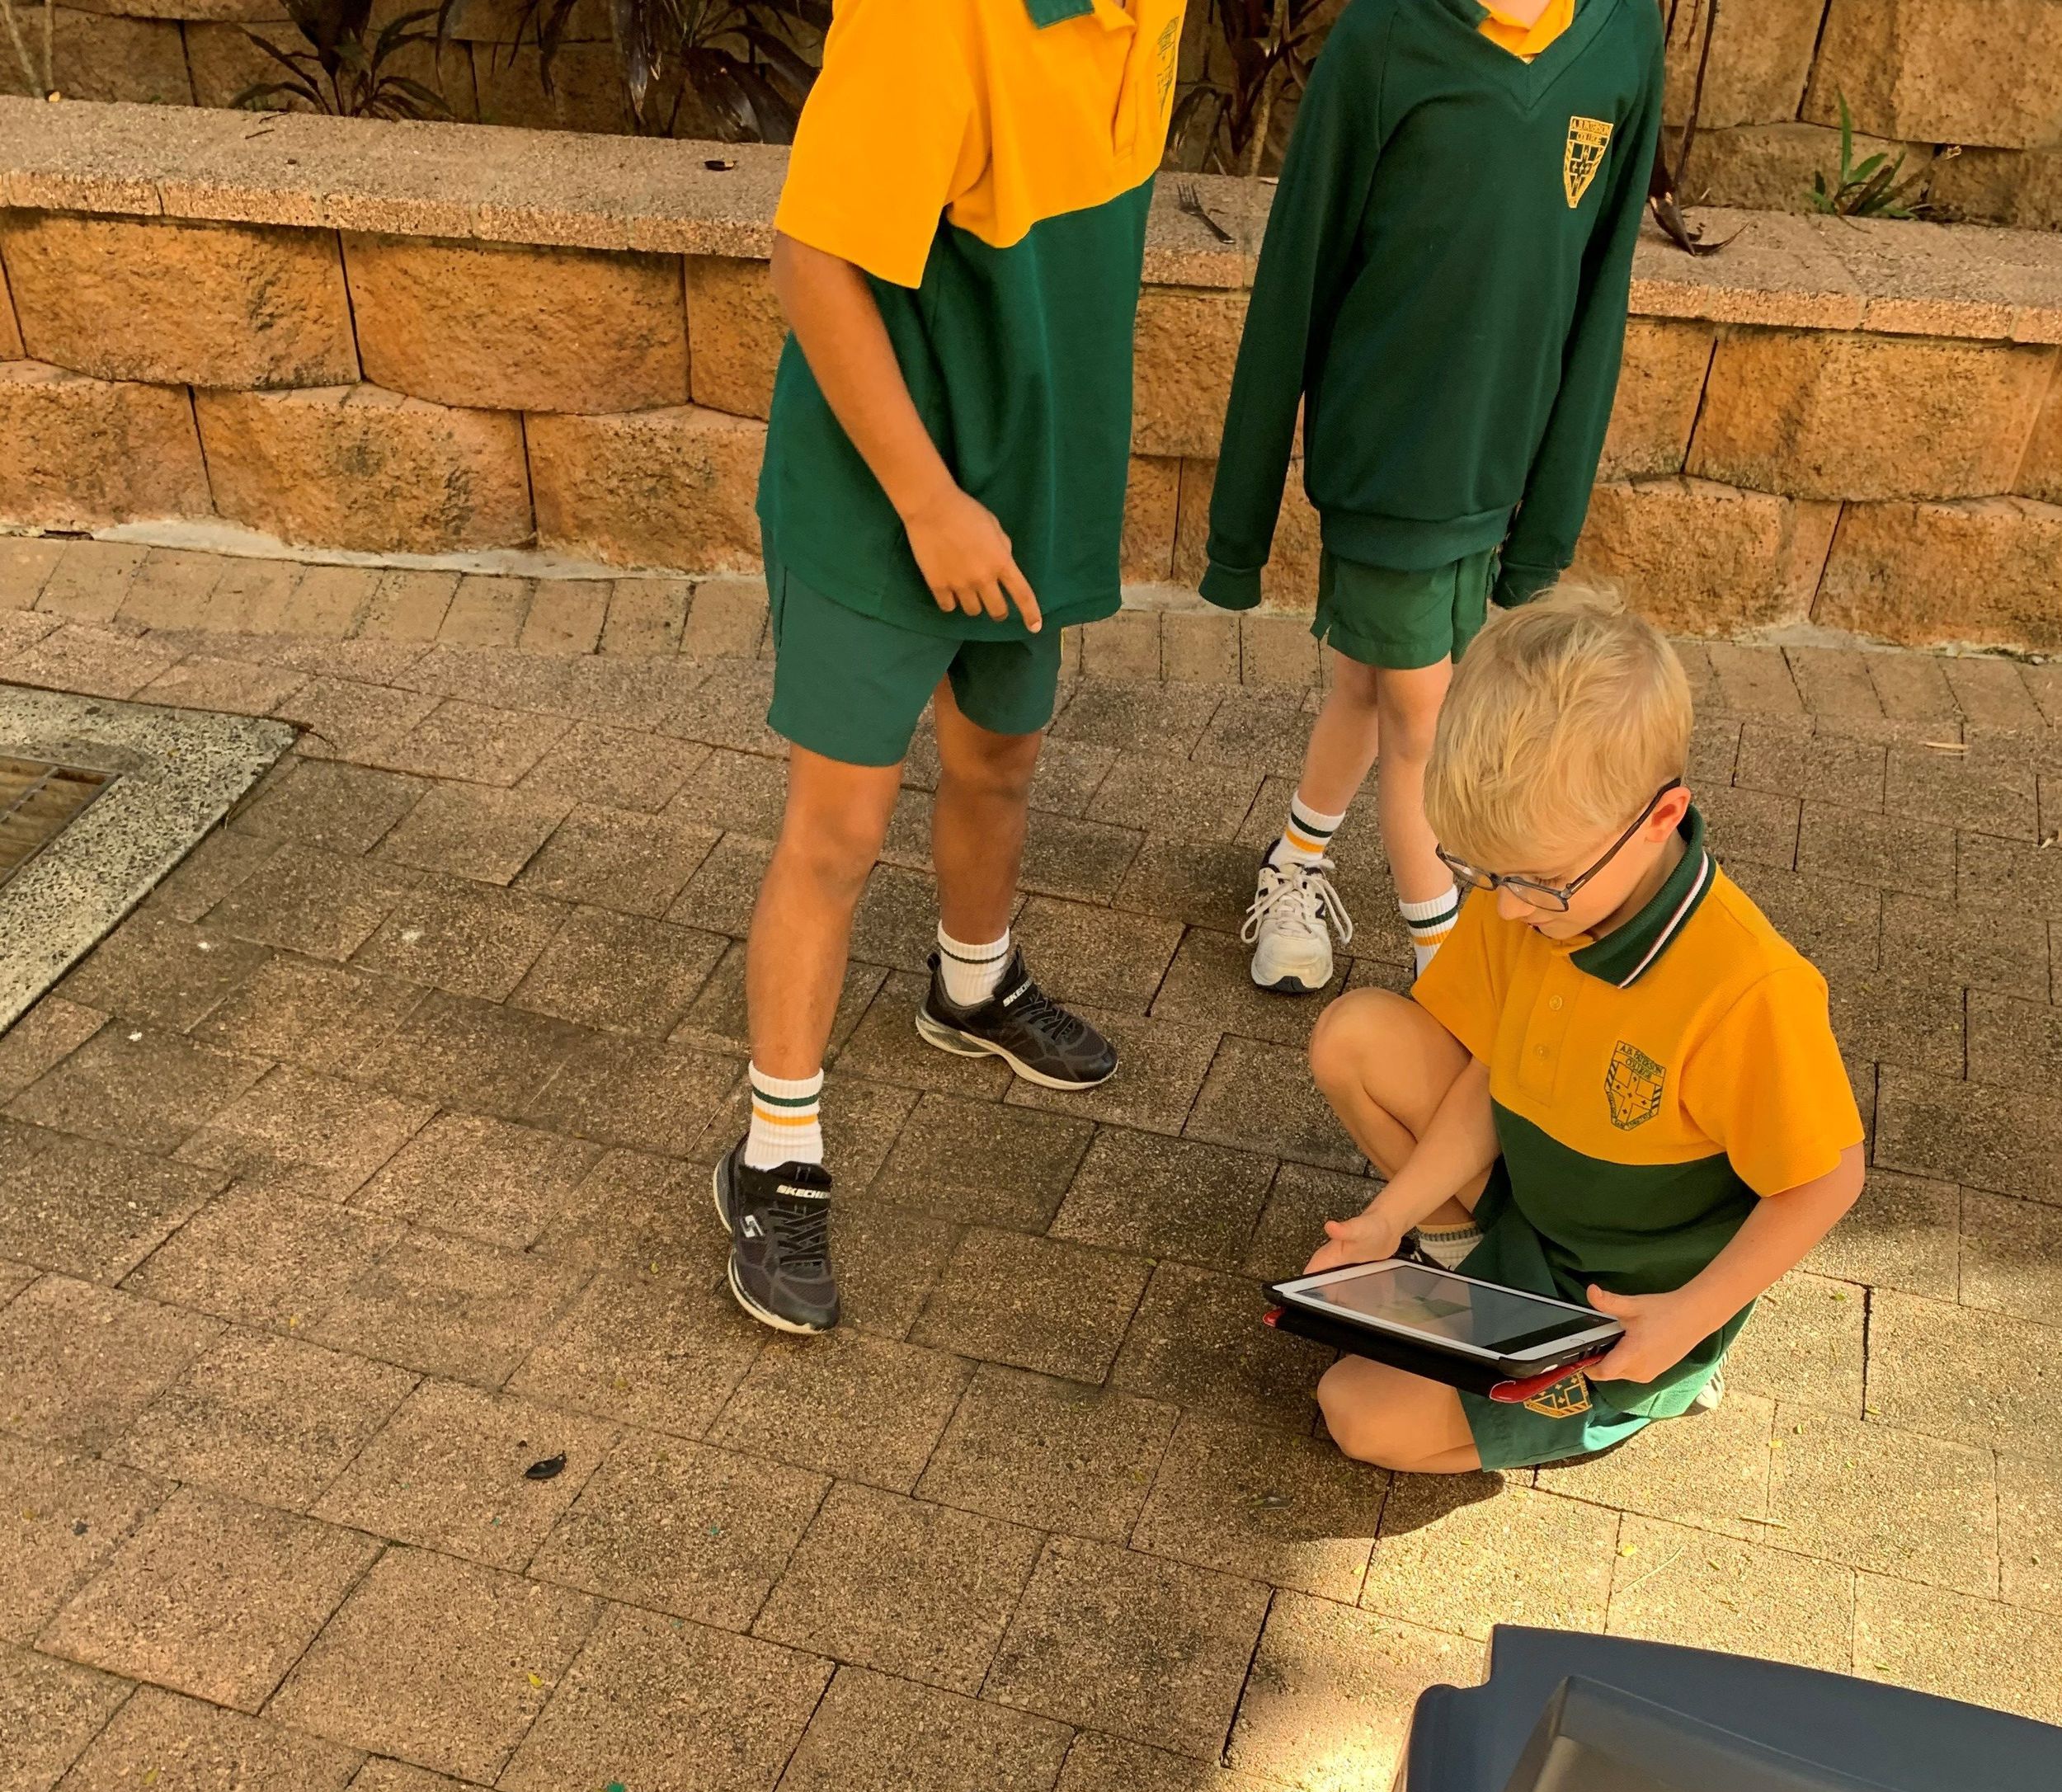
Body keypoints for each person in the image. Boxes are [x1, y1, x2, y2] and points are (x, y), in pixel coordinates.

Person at [714, 0, 1186, 1334]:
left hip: (1029, 486)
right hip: (881, 497)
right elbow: (809, 258)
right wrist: (929, 504)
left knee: (1001, 760)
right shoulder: (930, 17)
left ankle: (971, 984)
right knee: (838, 831)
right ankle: (774, 1152)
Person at [1302, 582, 1866, 1475]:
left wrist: (1689, 1315)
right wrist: (1388, 1216)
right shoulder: (1530, 890)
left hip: (1629, 1300)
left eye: (1538, 881)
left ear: (1659, 819)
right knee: (1354, 1037)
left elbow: (1826, 1179)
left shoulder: (1750, 987)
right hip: (1533, 1203)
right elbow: (1496, 1072)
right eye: (1485, 874)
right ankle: (1468, 1262)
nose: (1508, 909)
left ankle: (1662, 1384)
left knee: (1358, 1415)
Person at [1200, 0, 1664, 995]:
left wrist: (1545, 516)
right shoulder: (1384, 36)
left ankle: (1295, 861)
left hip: (1499, 463)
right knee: (1427, 715)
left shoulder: (1623, 34)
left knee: (1369, 687)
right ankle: (1448, 966)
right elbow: (1298, 270)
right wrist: (1237, 530)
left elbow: (1600, 281)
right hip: (1390, 463)